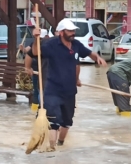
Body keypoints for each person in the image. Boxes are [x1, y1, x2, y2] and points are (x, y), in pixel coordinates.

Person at [30, 19, 107, 150]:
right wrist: (36, 38)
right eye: (69, 31)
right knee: (54, 122)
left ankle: (61, 144)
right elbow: (35, 53)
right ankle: (52, 149)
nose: (73, 33)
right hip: (53, 90)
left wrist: (97, 58)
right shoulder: (52, 44)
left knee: (67, 122)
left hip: (70, 91)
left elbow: (88, 53)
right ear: (61, 32)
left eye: (73, 31)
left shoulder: (76, 44)